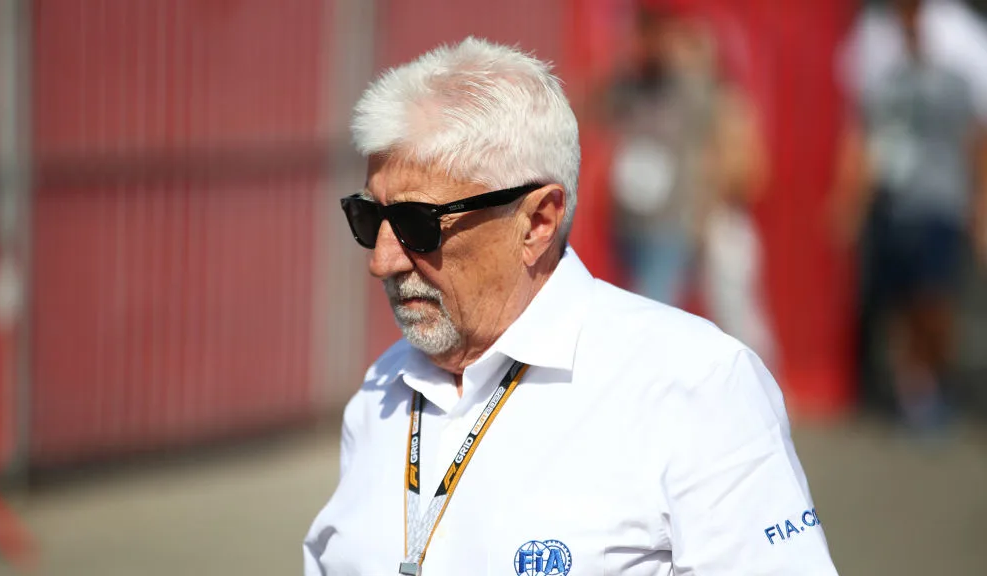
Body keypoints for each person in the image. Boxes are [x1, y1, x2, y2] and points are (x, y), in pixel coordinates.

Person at [304, 37, 838, 575]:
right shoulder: (382, 390)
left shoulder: (698, 384)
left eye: (419, 225)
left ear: (537, 221)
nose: (382, 261)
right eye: (369, 219)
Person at [832, 0, 987, 431]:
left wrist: (980, 207)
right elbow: (864, 139)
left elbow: (976, 145)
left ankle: (933, 382)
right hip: (895, 205)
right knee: (899, 303)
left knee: (933, 300)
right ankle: (915, 394)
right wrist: (851, 200)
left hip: (942, 203)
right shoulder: (887, 82)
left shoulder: (956, 78)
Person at [595, 1, 778, 366]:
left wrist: (711, 198)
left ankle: (759, 380)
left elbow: (747, 169)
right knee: (653, 306)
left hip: (698, 221)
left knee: (709, 309)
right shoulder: (632, 86)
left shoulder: (711, 99)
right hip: (641, 219)